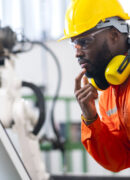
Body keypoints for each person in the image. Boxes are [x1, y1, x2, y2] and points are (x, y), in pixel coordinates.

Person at [59, 0, 130, 172]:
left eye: (84, 42)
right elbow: (119, 159)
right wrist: (91, 117)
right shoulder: (108, 91)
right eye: (74, 44)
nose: (77, 53)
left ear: (114, 34)